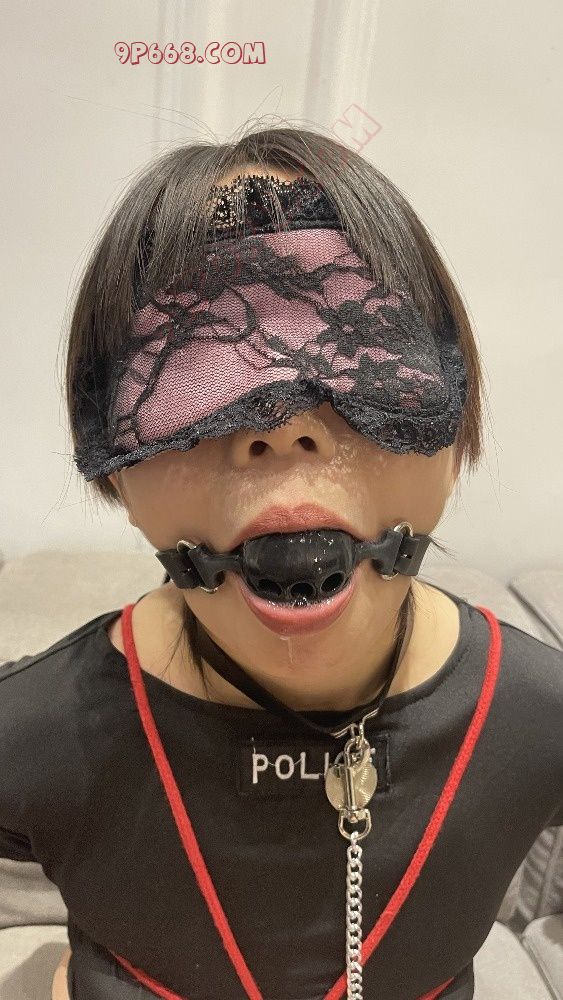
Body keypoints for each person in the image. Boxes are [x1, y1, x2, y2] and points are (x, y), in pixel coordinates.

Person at [1, 126, 561, 1000]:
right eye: (194, 363)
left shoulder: (541, 716)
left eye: (356, 341)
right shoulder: (27, 731)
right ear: (112, 465)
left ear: (454, 433)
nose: (280, 424)